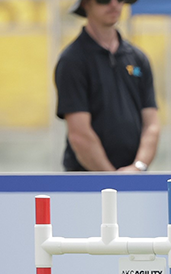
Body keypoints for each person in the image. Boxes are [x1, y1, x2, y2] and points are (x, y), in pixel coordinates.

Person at [55, 0, 159, 172]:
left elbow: (152, 125)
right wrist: (112, 179)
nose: (114, 5)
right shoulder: (72, 60)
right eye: (103, 0)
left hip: (134, 180)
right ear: (86, 4)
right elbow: (79, 134)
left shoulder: (138, 58)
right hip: (88, 182)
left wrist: (138, 167)